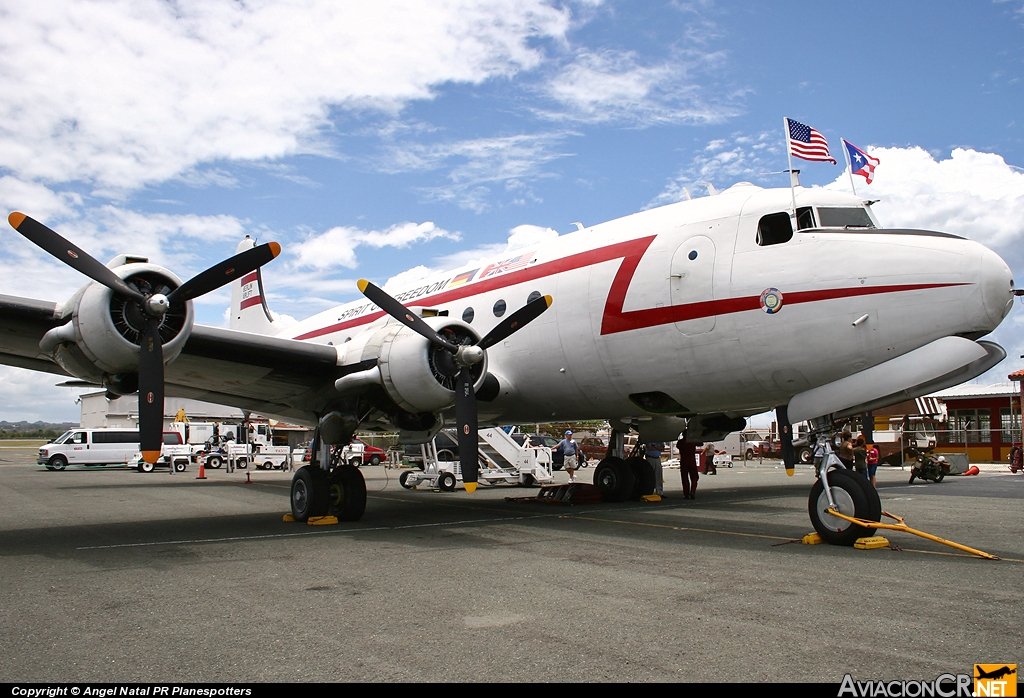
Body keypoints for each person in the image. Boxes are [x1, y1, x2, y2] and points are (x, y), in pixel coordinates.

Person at [676, 435, 701, 500]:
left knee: (684, 478)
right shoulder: (692, 441)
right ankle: (693, 491)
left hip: (683, 461)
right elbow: (701, 443)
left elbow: (678, 446)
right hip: (692, 461)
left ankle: (686, 493)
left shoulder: (680, 442)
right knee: (694, 477)